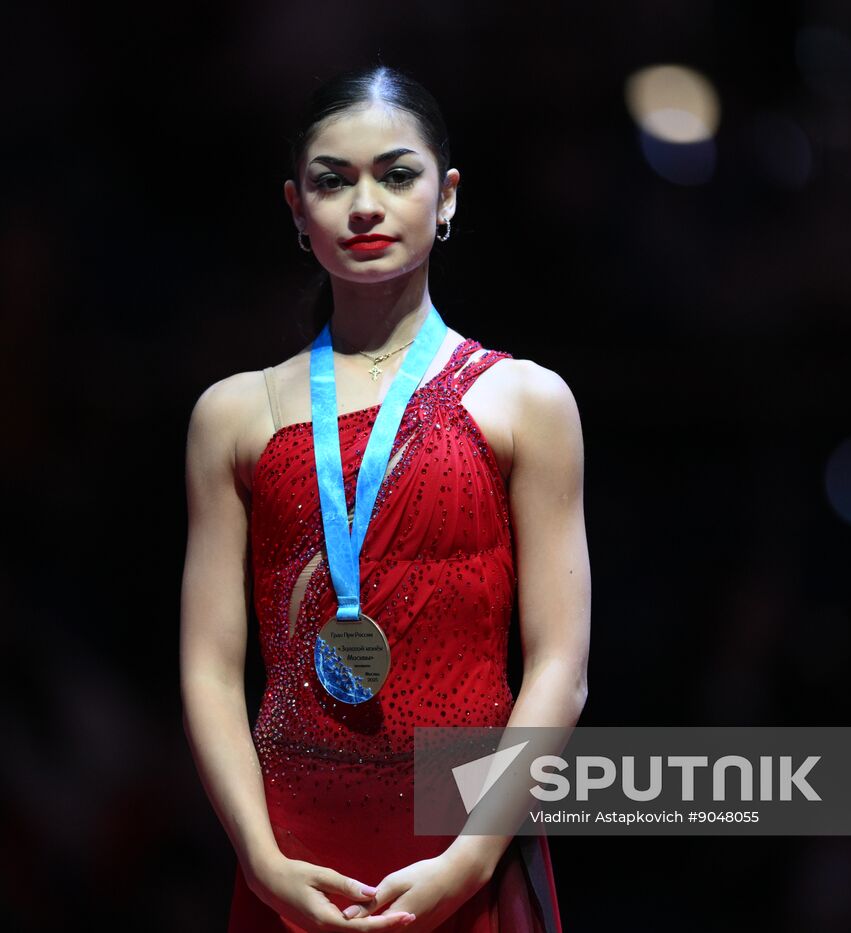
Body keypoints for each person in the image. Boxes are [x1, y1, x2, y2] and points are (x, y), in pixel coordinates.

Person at [181, 63, 590, 932]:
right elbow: (211, 666)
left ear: (446, 198)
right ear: (296, 209)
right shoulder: (232, 415)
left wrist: (471, 858)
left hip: (462, 854)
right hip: (292, 870)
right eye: (334, 181)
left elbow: (562, 663)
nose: (365, 205)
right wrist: (257, 857)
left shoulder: (525, 401)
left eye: (396, 175)